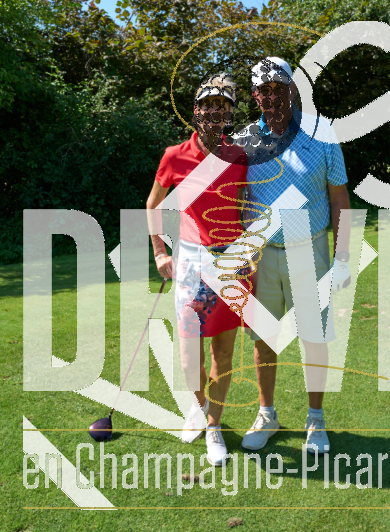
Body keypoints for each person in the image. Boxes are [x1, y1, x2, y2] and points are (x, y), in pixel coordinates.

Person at [237, 57, 352, 455]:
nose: (272, 96)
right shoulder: (245, 140)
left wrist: (342, 256)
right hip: (261, 254)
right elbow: (236, 198)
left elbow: (339, 198)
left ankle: (315, 420)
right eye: (264, 90)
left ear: (291, 89)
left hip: (309, 248)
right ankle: (267, 414)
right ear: (255, 96)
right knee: (263, 338)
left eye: (278, 87)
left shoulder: (322, 132)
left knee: (313, 338)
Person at [145, 74, 248, 466]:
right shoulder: (175, 156)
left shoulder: (239, 156)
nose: (214, 112)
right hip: (190, 259)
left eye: (222, 106)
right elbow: (153, 204)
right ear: (195, 110)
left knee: (223, 351)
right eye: (208, 105)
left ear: (229, 114)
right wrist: (160, 252)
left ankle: (214, 426)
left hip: (231, 261)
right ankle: (198, 405)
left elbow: (248, 206)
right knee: (190, 354)